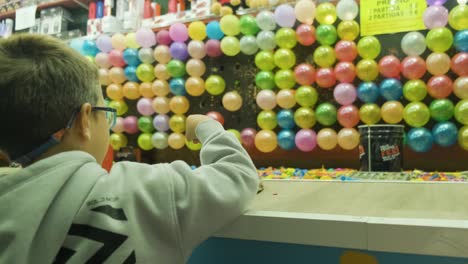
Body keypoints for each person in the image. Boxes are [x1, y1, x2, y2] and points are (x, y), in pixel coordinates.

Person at [0, 34, 259, 263]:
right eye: (105, 112)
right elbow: (237, 174)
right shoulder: (143, 191)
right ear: (84, 120)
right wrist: (206, 126)